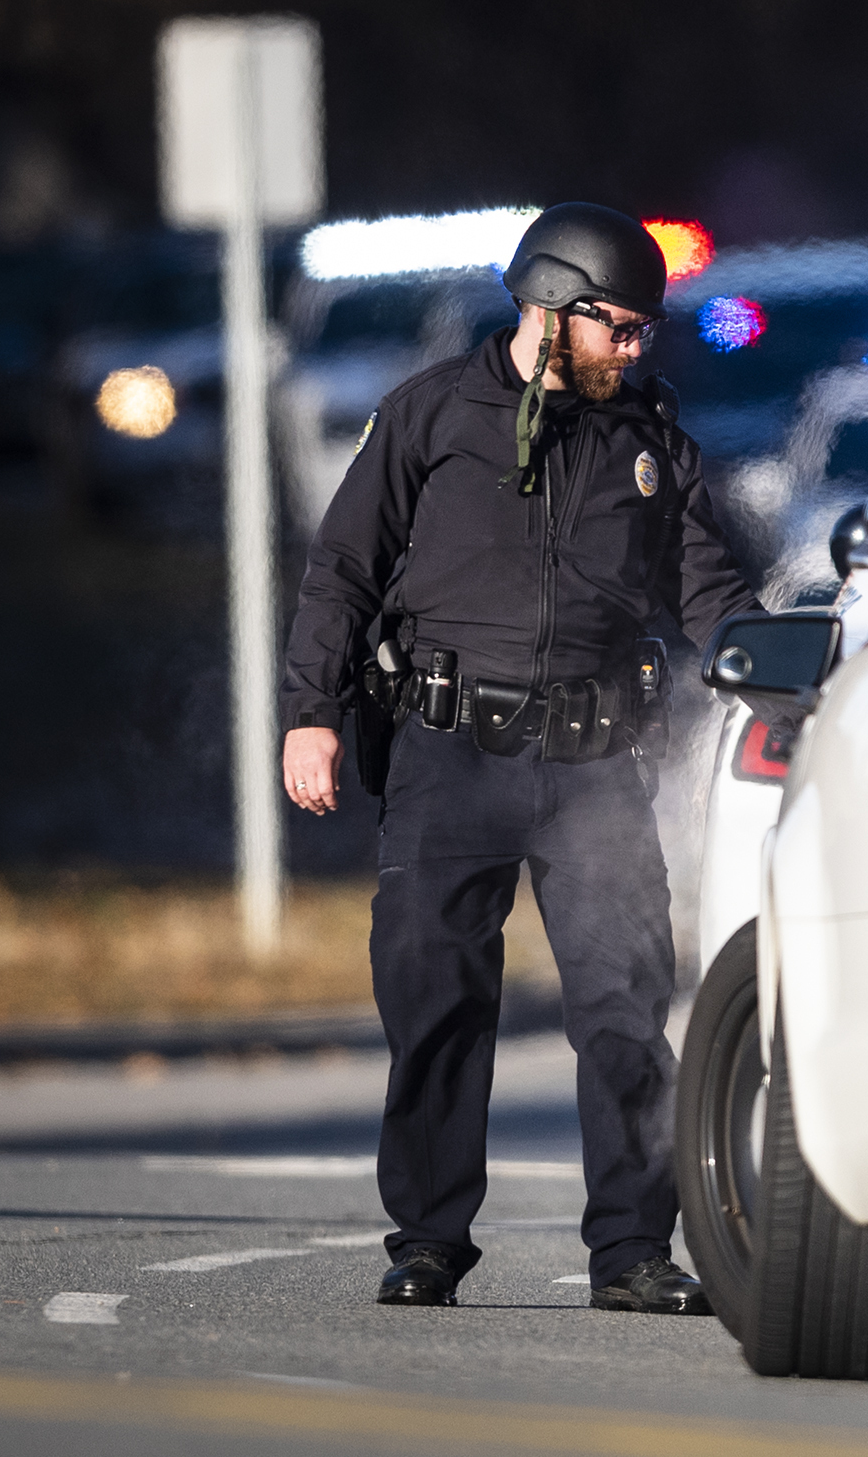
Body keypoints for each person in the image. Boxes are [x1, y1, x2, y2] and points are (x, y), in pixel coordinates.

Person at [278, 203, 757, 1312]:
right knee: (437, 999)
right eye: (618, 329)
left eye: (645, 333)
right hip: (447, 755)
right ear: (549, 307)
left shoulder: (650, 440)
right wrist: (313, 710)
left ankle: (634, 1250)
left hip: (595, 767)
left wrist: (775, 667)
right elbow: (342, 569)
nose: (635, 350)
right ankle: (429, 1240)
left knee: (627, 1008)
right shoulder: (431, 414)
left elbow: (711, 596)